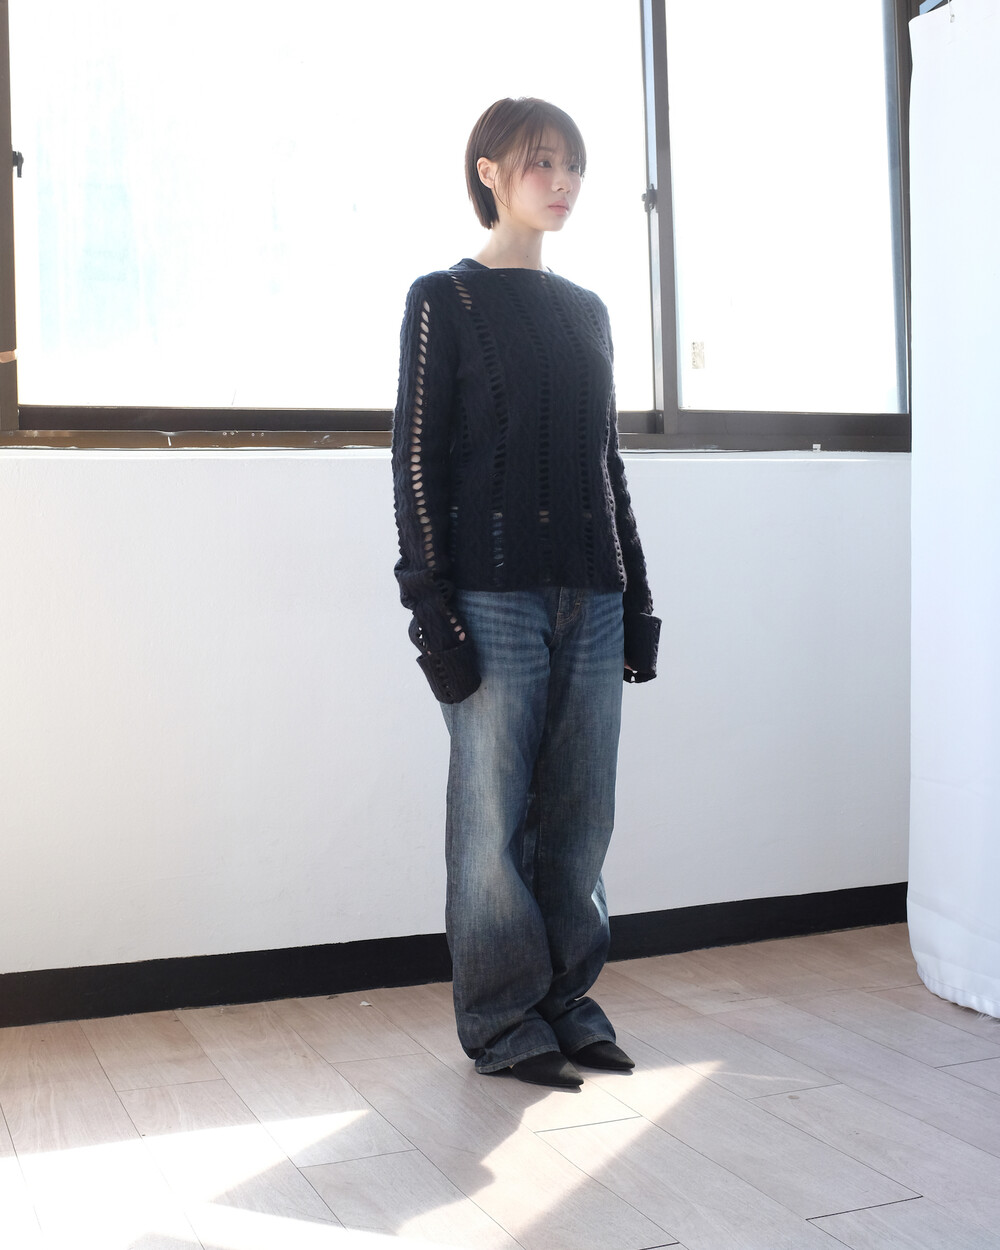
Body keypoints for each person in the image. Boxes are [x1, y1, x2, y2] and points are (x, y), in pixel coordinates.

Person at [392, 98, 660, 1089]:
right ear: (489, 172)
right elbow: (416, 465)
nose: (562, 181)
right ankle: (504, 1016)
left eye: (573, 165)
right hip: (491, 597)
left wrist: (637, 601)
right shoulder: (445, 301)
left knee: (582, 813)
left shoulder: (587, 311)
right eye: (540, 162)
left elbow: (605, 468)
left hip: (593, 595)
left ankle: (564, 999)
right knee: (492, 817)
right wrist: (431, 611)